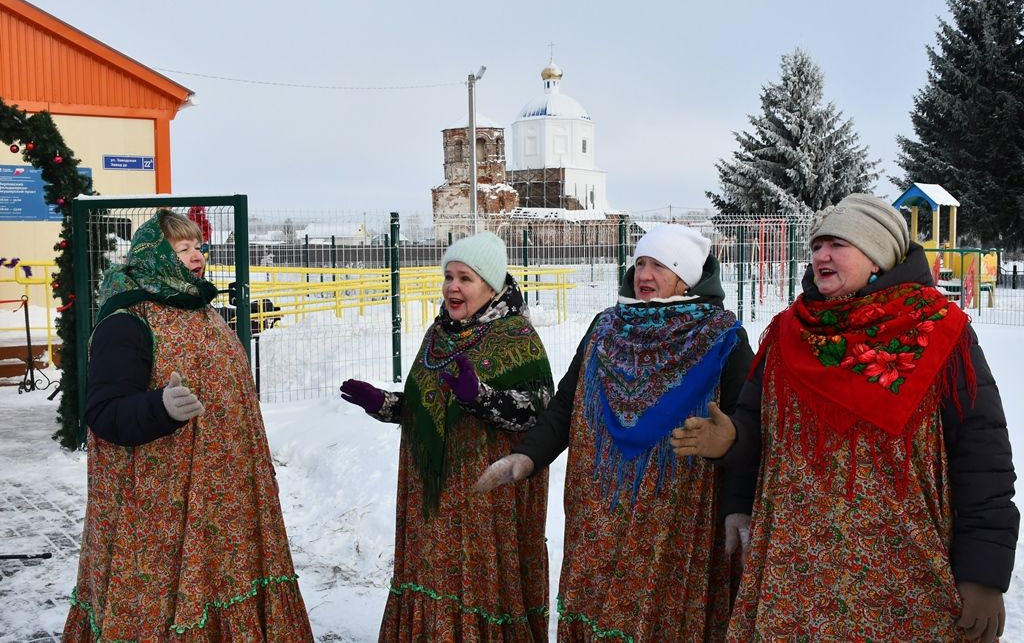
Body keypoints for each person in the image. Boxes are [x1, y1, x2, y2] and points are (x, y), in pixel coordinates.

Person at [675, 193, 1018, 643]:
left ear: (876, 254)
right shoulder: (787, 333)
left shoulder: (939, 332)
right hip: (796, 572)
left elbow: (982, 457)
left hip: (902, 574)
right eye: (817, 245)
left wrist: (983, 575)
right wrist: (731, 443)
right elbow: (754, 429)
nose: (821, 255)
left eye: (837, 243)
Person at [477, 223, 754, 642]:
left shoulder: (723, 338)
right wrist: (528, 456)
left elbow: (741, 426)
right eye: (640, 263)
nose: (644, 274)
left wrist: (737, 505)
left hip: (676, 512)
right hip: (601, 504)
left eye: (659, 265)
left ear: (688, 277)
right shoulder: (605, 328)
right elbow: (568, 401)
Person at [63, 209, 314, 641]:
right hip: (161, 509)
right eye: (183, 249)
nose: (197, 256)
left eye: (198, 246)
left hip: (223, 498)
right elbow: (104, 413)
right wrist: (158, 407)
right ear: (154, 258)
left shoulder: (197, 306)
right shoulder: (127, 320)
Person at [340, 231, 554, 642]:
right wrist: (382, 403)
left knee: (477, 581)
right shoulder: (439, 335)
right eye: (448, 276)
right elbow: (427, 408)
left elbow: (539, 410)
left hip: (484, 498)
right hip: (432, 497)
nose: (453, 287)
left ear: (491, 287)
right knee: (433, 575)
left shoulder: (518, 338)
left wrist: (482, 398)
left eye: (466, 279)